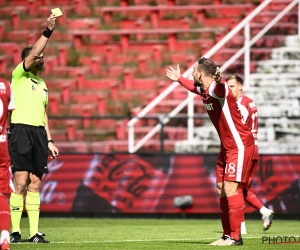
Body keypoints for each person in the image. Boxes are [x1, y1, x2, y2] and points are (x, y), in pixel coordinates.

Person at [166, 58, 255, 246]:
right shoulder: (204, 90)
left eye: (194, 70)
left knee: (231, 188)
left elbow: (222, 90)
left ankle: (236, 237)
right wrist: (179, 78)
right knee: (221, 189)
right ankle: (226, 235)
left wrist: (220, 78)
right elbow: (192, 86)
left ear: (200, 73)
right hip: (227, 146)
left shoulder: (216, 88)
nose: (192, 73)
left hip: (239, 145)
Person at [8, 13, 59, 244]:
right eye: (38, 56)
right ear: (27, 59)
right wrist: (47, 31)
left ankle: (35, 234)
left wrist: (49, 140)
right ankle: (15, 232)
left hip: (38, 133)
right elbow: (36, 51)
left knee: (36, 182)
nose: (41, 59)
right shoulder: (19, 75)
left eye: (43, 57)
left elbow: (44, 114)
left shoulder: (43, 84)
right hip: (20, 130)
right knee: (20, 182)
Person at [226, 74, 274, 234]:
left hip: (245, 148)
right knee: (242, 187)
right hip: (254, 147)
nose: (229, 89)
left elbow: (236, 127)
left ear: (240, 86)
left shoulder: (240, 105)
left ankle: (240, 226)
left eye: (232, 86)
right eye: (228, 86)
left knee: (235, 186)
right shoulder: (250, 102)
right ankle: (264, 211)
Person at [0, 78, 15, 250]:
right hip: (2, 144)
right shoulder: (6, 85)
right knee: (1, 194)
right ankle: (5, 236)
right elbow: (9, 116)